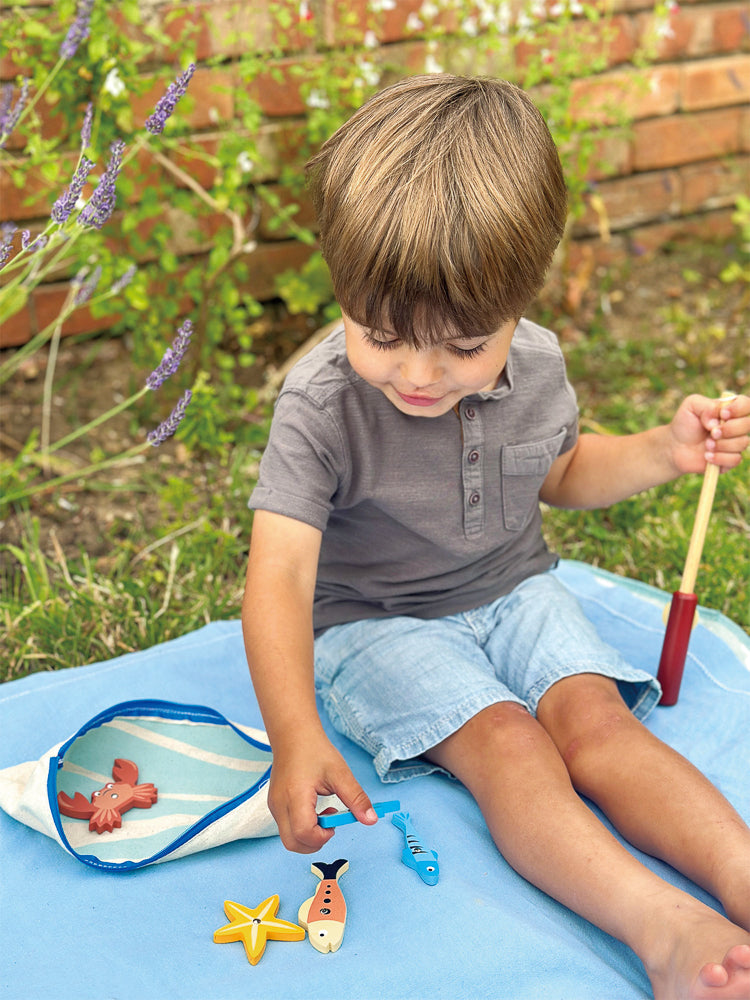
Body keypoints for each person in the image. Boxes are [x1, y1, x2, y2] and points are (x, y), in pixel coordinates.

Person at [241, 75, 750, 999]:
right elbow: (278, 575)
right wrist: (293, 730)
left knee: (596, 725)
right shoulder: (319, 405)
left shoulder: (540, 363)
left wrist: (662, 452)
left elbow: (558, 472)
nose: (419, 374)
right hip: (377, 622)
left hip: (517, 588)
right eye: (382, 334)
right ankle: (666, 928)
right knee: (512, 745)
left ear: (520, 305)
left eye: (462, 346)